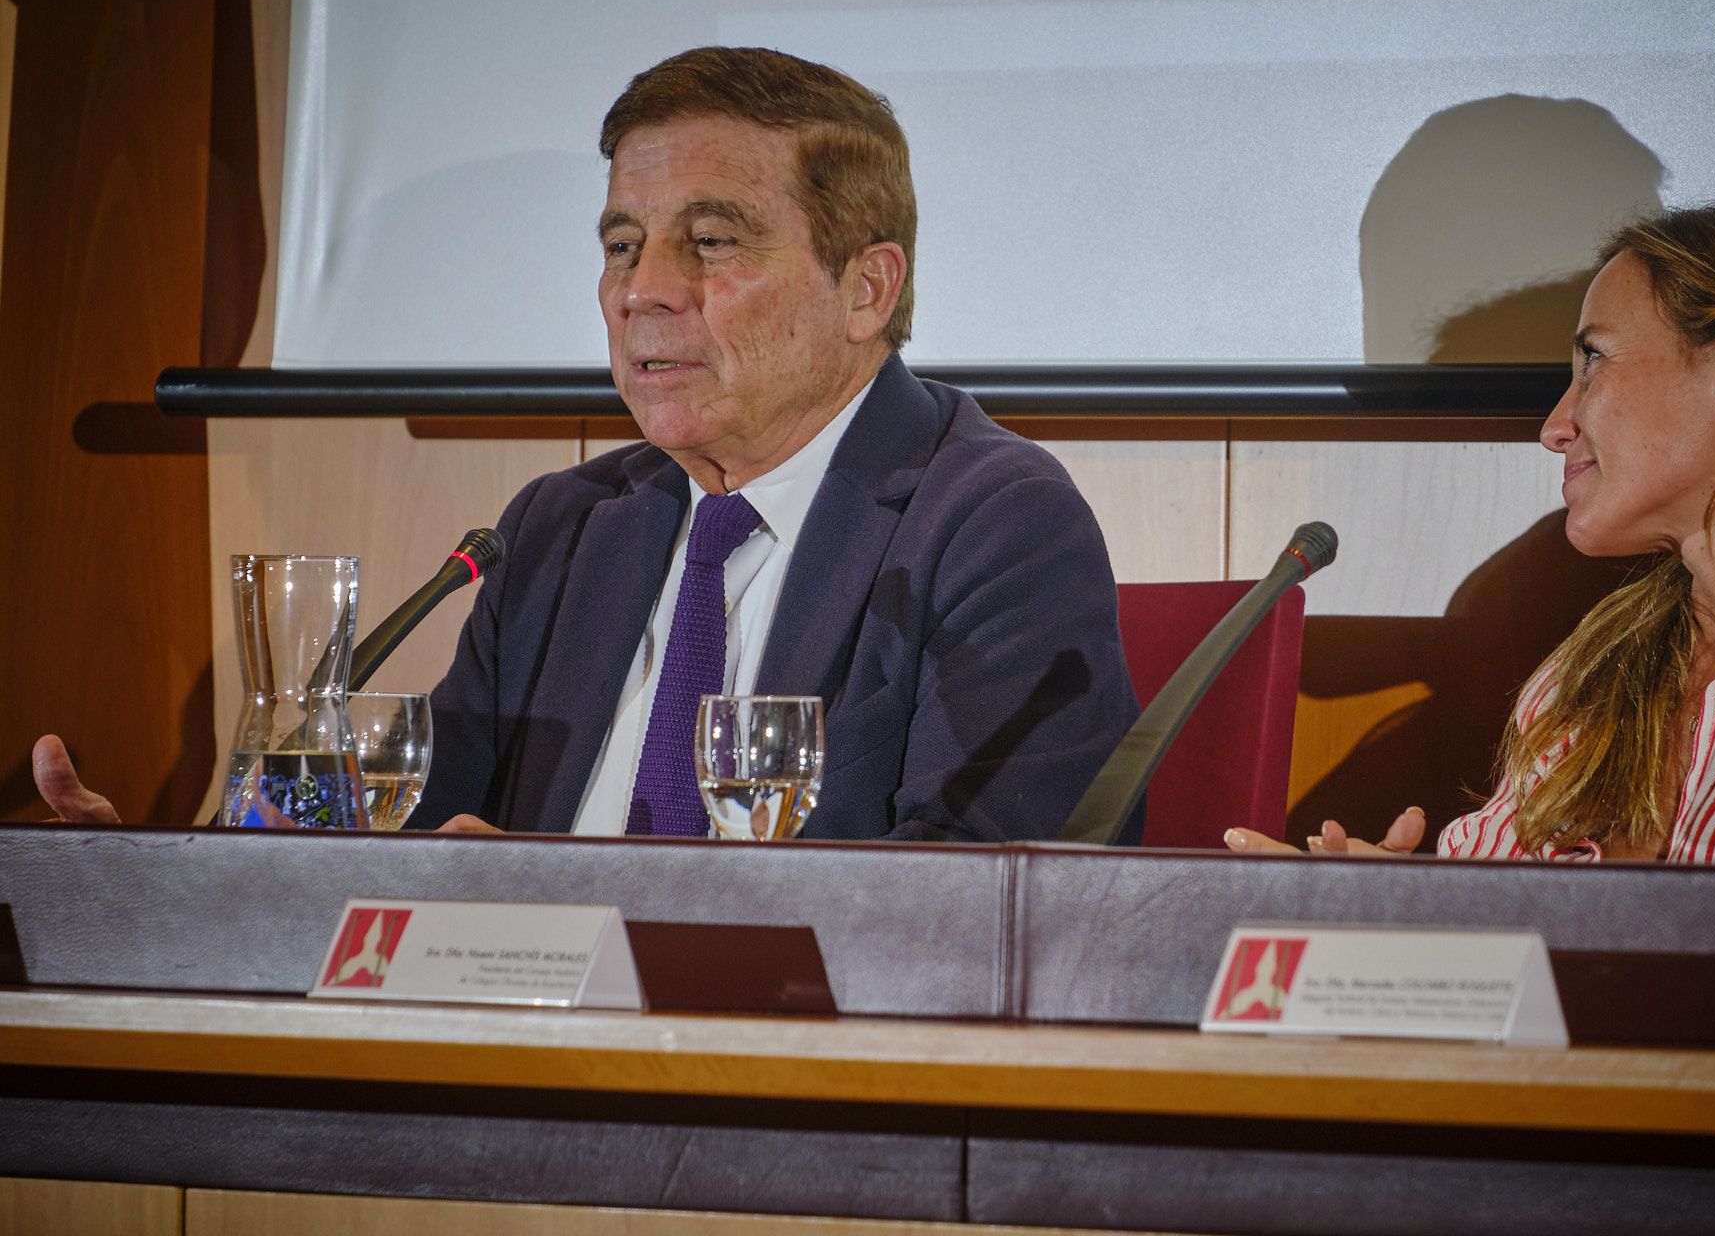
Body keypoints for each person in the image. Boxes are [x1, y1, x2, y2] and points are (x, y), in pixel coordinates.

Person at [35, 46, 1141, 842]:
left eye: (711, 241)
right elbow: (406, 842)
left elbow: (988, 901)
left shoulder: (992, 523)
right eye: (622, 244)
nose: (642, 291)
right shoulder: (561, 531)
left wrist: (571, 920)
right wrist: (182, 879)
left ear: (866, 288)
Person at [1229, 193, 1715, 867]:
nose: (1555, 427)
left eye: (1593, 361)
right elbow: (1497, 920)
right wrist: (1391, 910)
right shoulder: (1590, 671)